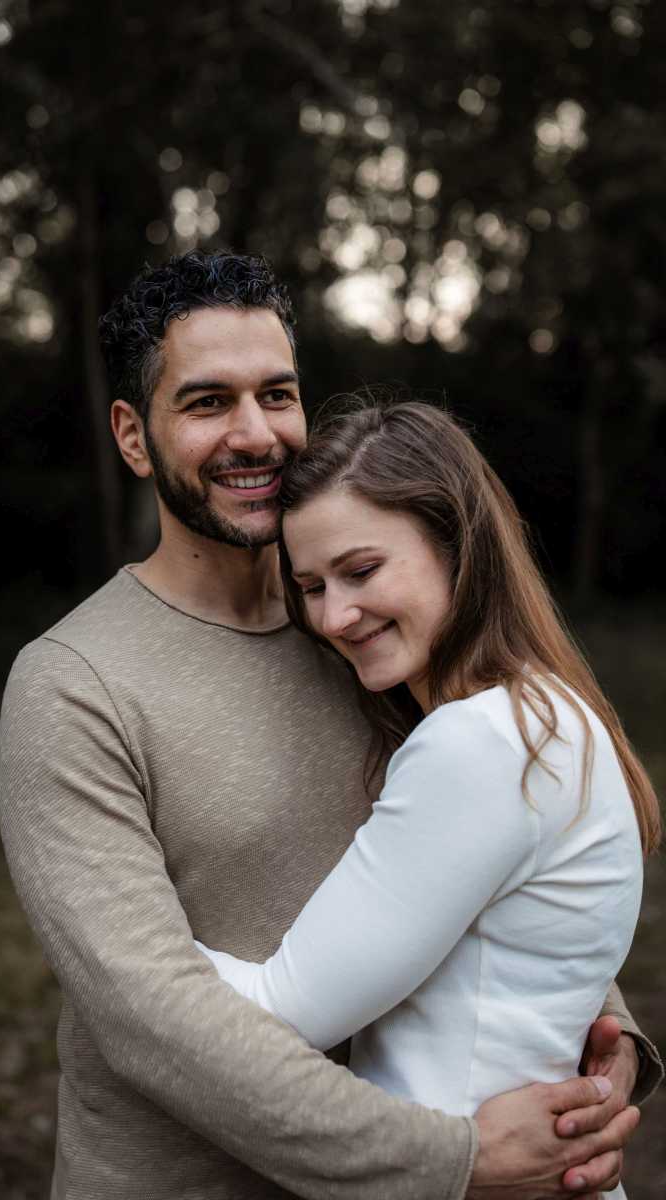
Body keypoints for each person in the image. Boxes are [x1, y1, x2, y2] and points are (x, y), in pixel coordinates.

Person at [0, 251, 662, 1200]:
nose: (254, 433)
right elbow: (147, 1018)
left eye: (277, 394)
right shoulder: (74, 686)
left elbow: (501, 856)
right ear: (134, 438)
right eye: (206, 402)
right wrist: (456, 1160)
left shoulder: (370, 636)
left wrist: (604, 1039)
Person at [194, 399, 662, 1200]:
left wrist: (117, 943)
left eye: (363, 571)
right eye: (309, 586)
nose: (335, 615)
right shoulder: (552, 714)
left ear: (456, 545)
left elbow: (284, 1013)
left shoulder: (478, 742)